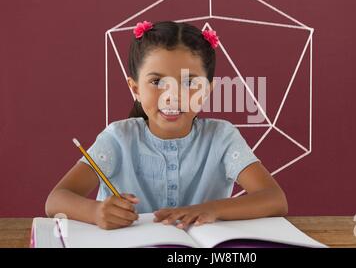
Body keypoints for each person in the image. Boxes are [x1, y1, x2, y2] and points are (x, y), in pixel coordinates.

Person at [45, 20, 288, 230]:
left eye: (189, 82)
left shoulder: (221, 137)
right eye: (157, 81)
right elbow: (55, 200)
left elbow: (274, 199)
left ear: (207, 91)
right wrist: (96, 213)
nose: (172, 96)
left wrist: (211, 209)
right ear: (135, 89)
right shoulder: (118, 138)